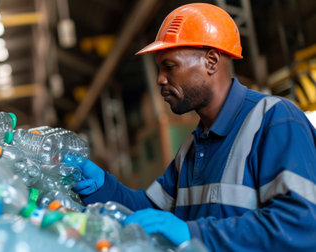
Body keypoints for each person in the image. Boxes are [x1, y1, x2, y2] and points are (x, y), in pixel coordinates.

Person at [65, 3, 316, 251]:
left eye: (170, 66)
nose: (160, 79)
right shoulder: (193, 147)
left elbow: (302, 223)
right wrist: (102, 186)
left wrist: (194, 233)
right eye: (159, 68)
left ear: (211, 61)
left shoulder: (274, 119)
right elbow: (152, 212)